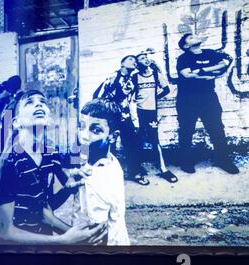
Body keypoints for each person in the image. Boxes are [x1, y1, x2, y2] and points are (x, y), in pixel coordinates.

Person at [0, 90, 106, 244]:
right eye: (30, 102)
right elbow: (5, 232)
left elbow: (43, 211)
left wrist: (82, 236)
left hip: (44, 240)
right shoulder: (9, 163)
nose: (38, 104)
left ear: (49, 118)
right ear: (16, 123)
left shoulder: (50, 154)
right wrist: (63, 240)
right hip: (15, 254)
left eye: (42, 102)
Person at [176, 33, 239, 174]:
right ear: (186, 46)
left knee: (217, 129)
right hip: (187, 99)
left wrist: (202, 70)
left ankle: (223, 160)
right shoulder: (183, 58)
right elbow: (187, 75)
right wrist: (211, 72)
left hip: (208, 97)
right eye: (191, 37)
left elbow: (223, 65)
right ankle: (185, 161)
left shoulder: (210, 53)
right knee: (186, 130)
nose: (195, 37)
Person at [77, 99, 130, 245]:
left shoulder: (99, 178)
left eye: (95, 130)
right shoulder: (108, 159)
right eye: (81, 126)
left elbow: (96, 235)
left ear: (113, 136)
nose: (84, 135)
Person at [93, 55, 149, 186]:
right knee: (108, 144)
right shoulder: (113, 77)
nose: (134, 62)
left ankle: (134, 172)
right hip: (110, 116)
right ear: (122, 64)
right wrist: (104, 113)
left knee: (132, 143)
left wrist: (134, 119)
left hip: (124, 116)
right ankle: (108, 175)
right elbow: (98, 96)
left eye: (135, 61)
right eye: (130, 59)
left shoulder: (131, 80)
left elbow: (130, 101)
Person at [131, 52, 178, 183]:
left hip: (151, 112)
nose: (145, 59)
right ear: (137, 64)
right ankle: (136, 170)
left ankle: (163, 169)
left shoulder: (157, 75)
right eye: (142, 58)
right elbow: (129, 96)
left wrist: (155, 98)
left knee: (154, 140)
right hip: (139, 112)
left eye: (146, 57)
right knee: (137, 141)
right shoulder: (134, 77)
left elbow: (167, 89)